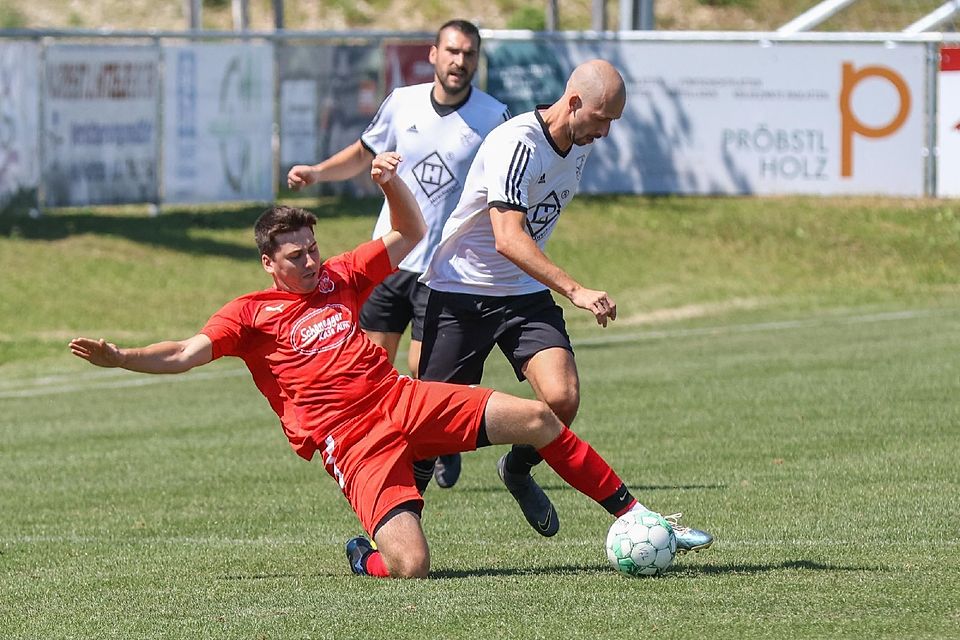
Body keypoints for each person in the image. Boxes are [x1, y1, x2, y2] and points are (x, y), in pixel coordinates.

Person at [69, 153, 713, 579]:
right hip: (351, 441)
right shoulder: (249, 314)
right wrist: (122, 357)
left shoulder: (340, 276)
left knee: (540, 417)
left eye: (312, 249)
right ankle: (364, 556)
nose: (311, 262)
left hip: (401, 398)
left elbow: (410, 232)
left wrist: (388, 184)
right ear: (268, 263)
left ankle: (635, 515)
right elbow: (183, 354)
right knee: (411, 567)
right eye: (295, 256)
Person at [418, 60, 706, 544]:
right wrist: (575, 289)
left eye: (612, 122)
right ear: (573, 103)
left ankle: (517, 468)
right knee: (430, 428)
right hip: (463, 291)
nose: (605, 132)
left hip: (523, 293)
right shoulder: (518, 144)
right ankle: (393, 535)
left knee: (562, 398)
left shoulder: (579, 142)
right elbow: (508, 238)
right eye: (601, 118)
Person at [287, 19, 508, 490]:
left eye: (468, 54)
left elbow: (507, 182)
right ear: (433, 54)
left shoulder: (494, 116)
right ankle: (375, 457)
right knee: (371, 364)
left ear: (477, 59)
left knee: (423, 371)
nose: (459, 61)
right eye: (452, 51)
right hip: (389, 258)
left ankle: (443, 443)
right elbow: (363, 152)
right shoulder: (403, 102)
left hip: (442, 268)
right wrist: (318, 173)